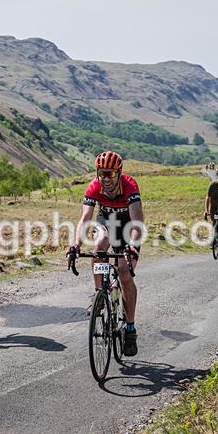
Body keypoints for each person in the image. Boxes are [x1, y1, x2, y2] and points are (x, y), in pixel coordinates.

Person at [71, 151, 143, 356]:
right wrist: (76, 244)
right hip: (106, 222)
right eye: (102, 173)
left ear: (119, 173)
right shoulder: (94, 186)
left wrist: (131, 246)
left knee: (124, 274)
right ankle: (98, 294)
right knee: (99, 246)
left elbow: (137, 220)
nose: (106, 179)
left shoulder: (130, 186)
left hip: (129, 226)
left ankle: (130, 329)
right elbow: (85, 219)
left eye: (111, 174)